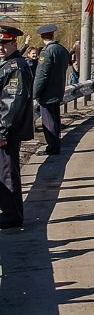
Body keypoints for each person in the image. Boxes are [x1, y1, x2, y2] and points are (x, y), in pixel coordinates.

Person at [0, 26, 35, 233]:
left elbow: (13, 102)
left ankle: (12, 216)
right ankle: (9, 212)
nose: (1, 48)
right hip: (5, 129)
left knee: (7, 174)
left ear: (14, 43)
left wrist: (3, 131)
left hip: (7, 131)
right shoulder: (7, 65)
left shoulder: (16, 67)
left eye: (5, 43)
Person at [33, 24, 69, 156]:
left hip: (47, 92)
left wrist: (35, 93)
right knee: (55, 119)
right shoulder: (61, 49)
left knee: (48, 122)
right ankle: (55, 145)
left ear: (42, 37)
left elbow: (42, 74)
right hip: (58, 89)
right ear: (53, 35)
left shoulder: (46, 52)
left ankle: (52, 147)